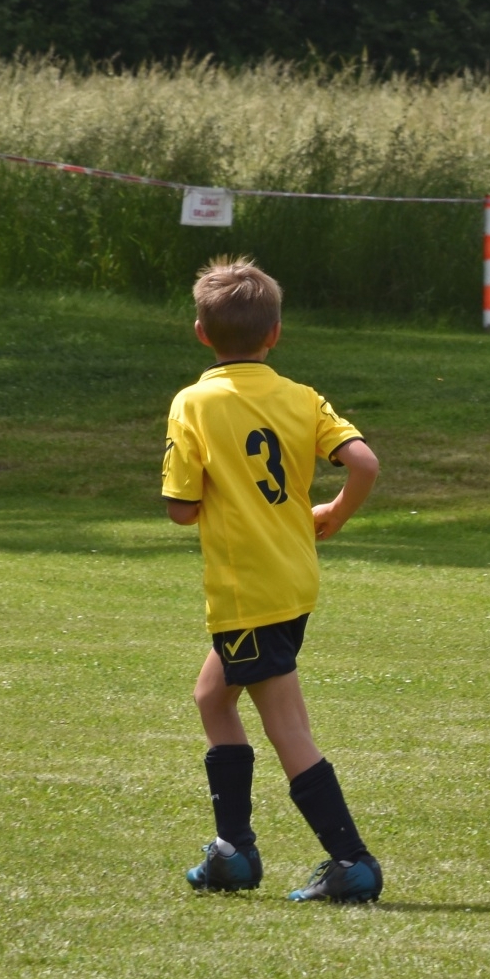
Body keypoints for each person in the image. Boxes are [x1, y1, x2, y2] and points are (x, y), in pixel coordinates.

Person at [162, 256, 385, 903]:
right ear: (275, 332)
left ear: (201, 333)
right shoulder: (301, 397)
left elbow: (181, 509)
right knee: (212, 696)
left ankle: (352, 861)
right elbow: (364, 463)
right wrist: (335, 512)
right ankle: (233, 851)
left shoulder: (194, 402)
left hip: (248, 591)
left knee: (287, 728)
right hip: (293, 581)